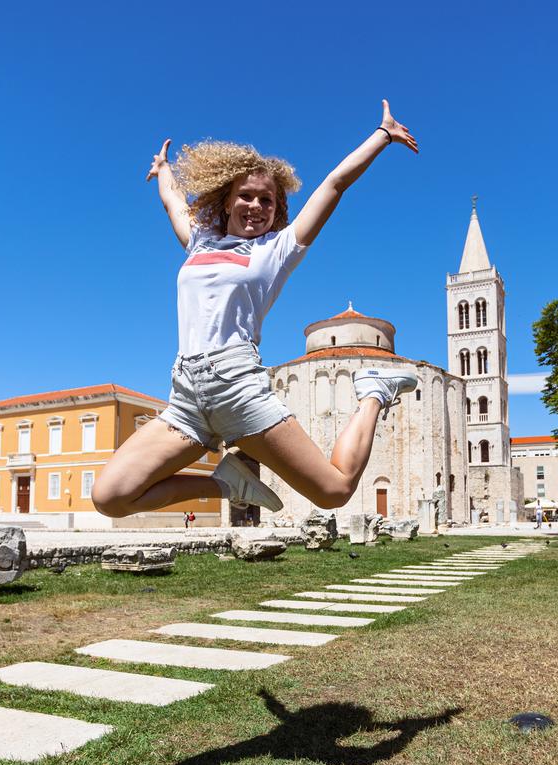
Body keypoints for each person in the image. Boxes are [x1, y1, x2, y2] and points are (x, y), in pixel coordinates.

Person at [93, 102, 420, 519]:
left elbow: (334, 185)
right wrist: (163, 169)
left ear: (276, 209)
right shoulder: (200, 242)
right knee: (110, 497)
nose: (256, 206)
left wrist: (382, 135)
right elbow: (173, 203)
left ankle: (374, 392)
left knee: (334, 490)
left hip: (237, 387)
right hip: (186, 396)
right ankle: (227, 483)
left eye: (267, 200)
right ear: (225, 201)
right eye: (245, 196)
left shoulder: (275, 251)